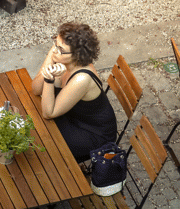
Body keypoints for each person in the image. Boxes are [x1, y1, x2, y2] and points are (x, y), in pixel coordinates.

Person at [33, 23, 118, 162]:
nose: (54, 50)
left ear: (76, 55)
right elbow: (36, 89)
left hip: (93, 133)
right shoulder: (64, 61)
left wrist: (49, 79)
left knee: (44, 146)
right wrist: (51, 56)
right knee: (34, 125)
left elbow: (48, 113)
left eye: (60, 49)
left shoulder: (82, 78)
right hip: (73, 118)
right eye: (55, 43)